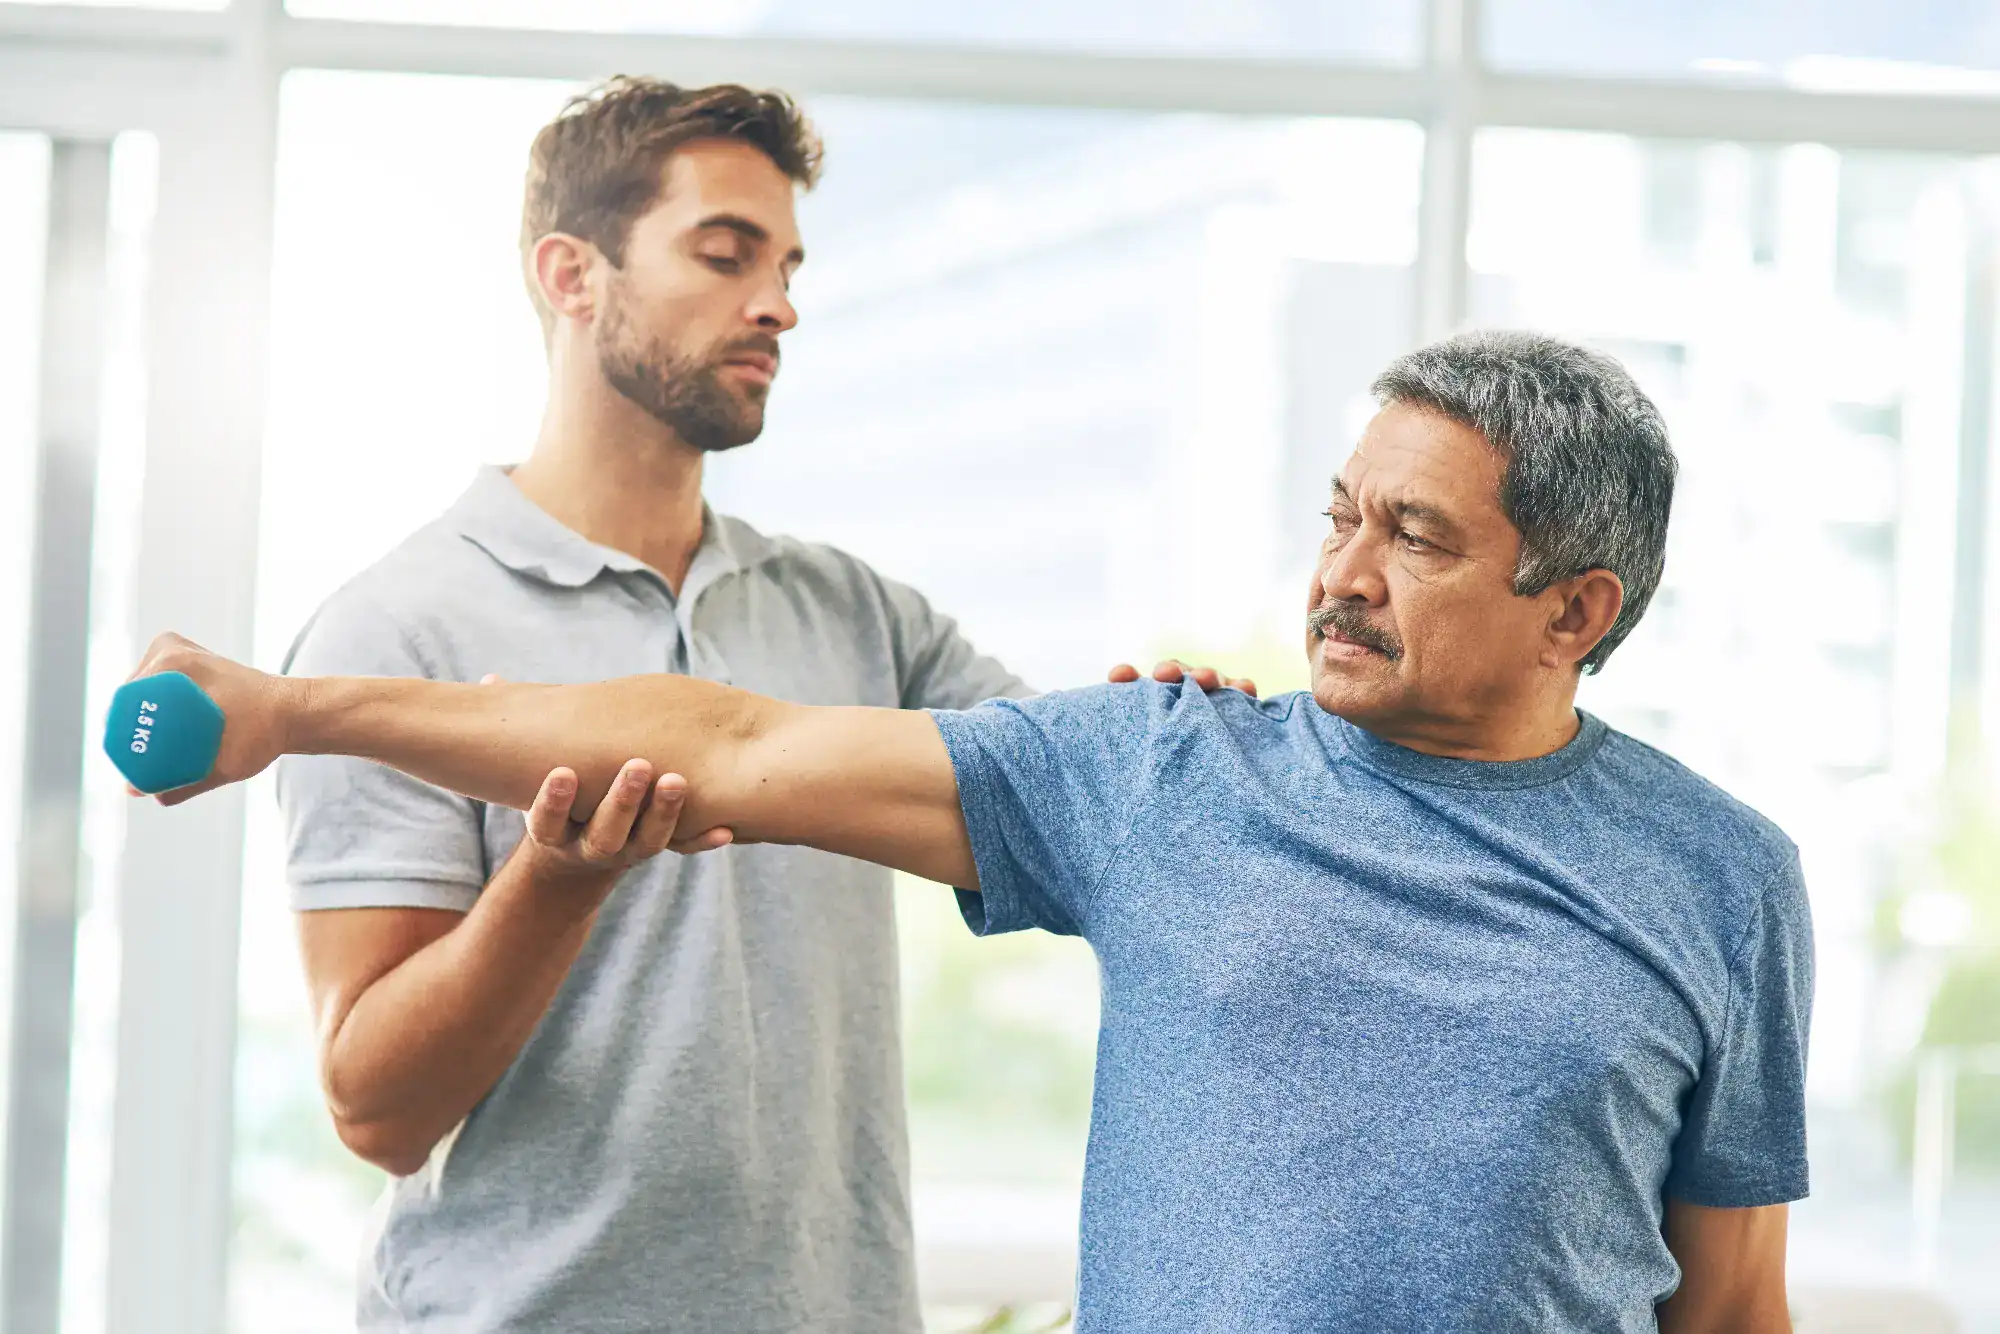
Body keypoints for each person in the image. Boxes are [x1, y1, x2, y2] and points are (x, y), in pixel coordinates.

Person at [137, 329, 1812, 1333]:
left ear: (1572, 607)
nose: (1341, 576)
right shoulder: (1164, 774)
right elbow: (721, 739)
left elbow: (1731, 1304)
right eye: (1339, 515)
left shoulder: (1725, 877)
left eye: (1418, 537)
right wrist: (296, 709)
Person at [276, 76, 1247, 1332]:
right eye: (726, 254)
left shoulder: (854, 613)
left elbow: (1073, 814)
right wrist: (553, 881)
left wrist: (1152, 731)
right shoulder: (394, 631)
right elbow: (377, 1111)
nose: (778, 304)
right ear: (572, 277)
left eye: (786, 263)